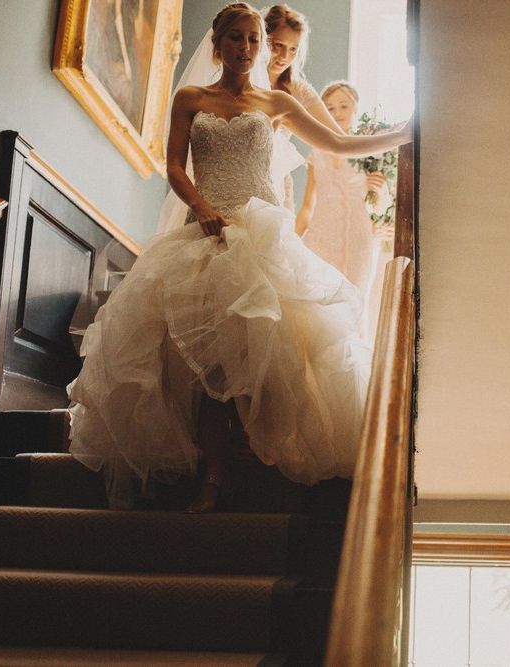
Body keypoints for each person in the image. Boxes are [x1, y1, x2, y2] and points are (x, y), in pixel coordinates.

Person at [67, 2, 412, 513]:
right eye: (237, 38)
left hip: (262, 232)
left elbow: (338, 143)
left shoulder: (274, 103)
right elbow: (175, 169)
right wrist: (202, 208)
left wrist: (409, 130)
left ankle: (257, 457)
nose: (247, 49)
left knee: (271, 347)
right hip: (205, 230)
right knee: (208, 360)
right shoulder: (190, 97)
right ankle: (215, 472)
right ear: (218, 42)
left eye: (254, 40)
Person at [295, 81, 391, 336]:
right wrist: (291, 240)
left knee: (355, 301)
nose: (337, 113)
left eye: (344, 106)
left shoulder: (371, 150)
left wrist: (378, 191)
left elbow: (380, 207)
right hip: (321, 237)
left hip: (359, 238)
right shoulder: (317, 152)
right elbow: (307, 205)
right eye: (330, 108)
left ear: (356, 108)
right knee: (319, 307)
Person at [263, 4, 342, 211]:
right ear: (263, 39)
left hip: (277, 182)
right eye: (278, 45)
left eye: (293, 49)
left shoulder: (298, 90)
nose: (284, 56)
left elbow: (337, 135)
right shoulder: (240, 81)